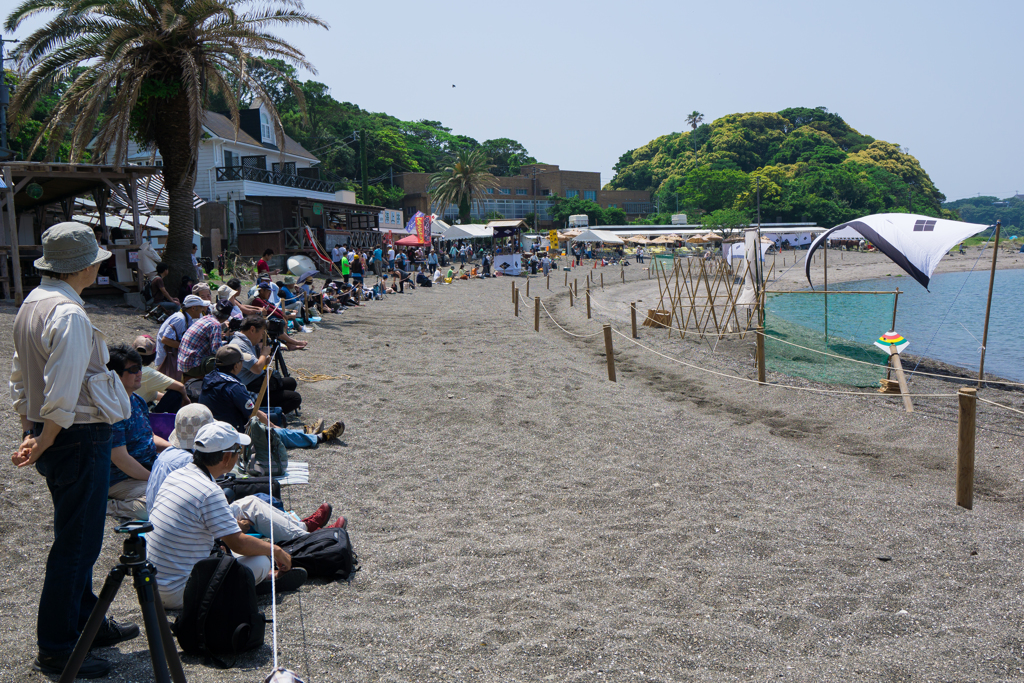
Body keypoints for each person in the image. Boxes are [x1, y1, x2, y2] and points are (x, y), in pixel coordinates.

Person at [11, 222, 139, 678]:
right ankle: (59, 646)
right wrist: (44, 435)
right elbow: (62, 386)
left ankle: (86, 622)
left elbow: (21, 376)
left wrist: (30, 428)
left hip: (59, 434)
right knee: (77, 544)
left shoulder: (33, 303)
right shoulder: (68, 313)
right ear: (85, 266)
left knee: (77, 536)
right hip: (78, 433)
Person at [146, 421, 310, 609]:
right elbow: (237, 542)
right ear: (226, 458)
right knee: (261, 561)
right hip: (181, 592)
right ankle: (252, 583)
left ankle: (250, 581)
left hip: (153, 587)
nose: (239, 455)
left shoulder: (177, 475)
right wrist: (276, 550)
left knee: (233, 551)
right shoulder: (209, 491)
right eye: (238, 451)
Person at [198, 346, 343, 448]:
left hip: (214, 426)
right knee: (274, 432)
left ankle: (305, 433)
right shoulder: (233, 387)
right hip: (232, 431)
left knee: (270, 416)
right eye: (241, 362)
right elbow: (253, 413)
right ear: (236, 366)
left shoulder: (210, 377)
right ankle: (320, 437)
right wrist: (273, 426)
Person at [106, 343, 170, 520]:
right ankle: (108, 507)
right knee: (160, 503)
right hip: (121, 478)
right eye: (133, 369)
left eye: (140, 367)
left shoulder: (137, 400)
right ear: (116, 375)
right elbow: (120, 459)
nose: (140, 373)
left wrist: (172, 449)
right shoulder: (113, 409)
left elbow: (147, 436)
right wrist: (153, 479)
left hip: (147, 467)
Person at [228, 315, 302, 414]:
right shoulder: (239, 345)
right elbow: (257, 369)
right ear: (252, 330)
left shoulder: (246, 341)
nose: (262, 336)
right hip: (250, 389)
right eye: (262, 332)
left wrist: (264, 360)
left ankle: (273, 407)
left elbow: (255, 364)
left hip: (256, 381)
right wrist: (264, 354)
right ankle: (267, 415)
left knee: (290, 382)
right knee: (295, 398)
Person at [134, 335, 190, 413]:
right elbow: (180, 387)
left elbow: (151, 393)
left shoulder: (124, 365)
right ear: (153, 356)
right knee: (176, 394)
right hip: (137, 412)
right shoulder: (148, 373)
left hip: (126, 408)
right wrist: (186, 400)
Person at [157, 294, 206, 380]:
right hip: (166, 360)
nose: (203, 310)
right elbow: (165, 339)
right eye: (201, 307)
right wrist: (186, 347)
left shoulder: (186, 318)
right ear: (193, 308)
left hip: (171, 358)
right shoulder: (180, 319)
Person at [177, 300, 232, 378]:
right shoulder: (215, 325)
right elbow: (217, 351)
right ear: (228, 316)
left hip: (182, 362)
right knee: (227, 362)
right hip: (192, 366)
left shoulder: (205, 318)